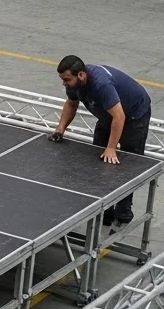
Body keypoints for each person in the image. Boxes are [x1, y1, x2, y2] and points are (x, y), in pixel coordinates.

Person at [51, 55, 153, 227]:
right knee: (97, 158)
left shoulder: (101, 85)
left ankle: (123, 212)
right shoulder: (75, 84)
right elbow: (71, 104)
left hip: (134, 115)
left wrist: (111, 148)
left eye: (67, 79)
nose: (64, 84)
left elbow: (119, 117)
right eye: (62, 80)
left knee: (127, 163)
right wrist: (60, 129)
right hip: (109, 114)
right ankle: (103, 209)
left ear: (81, 75)